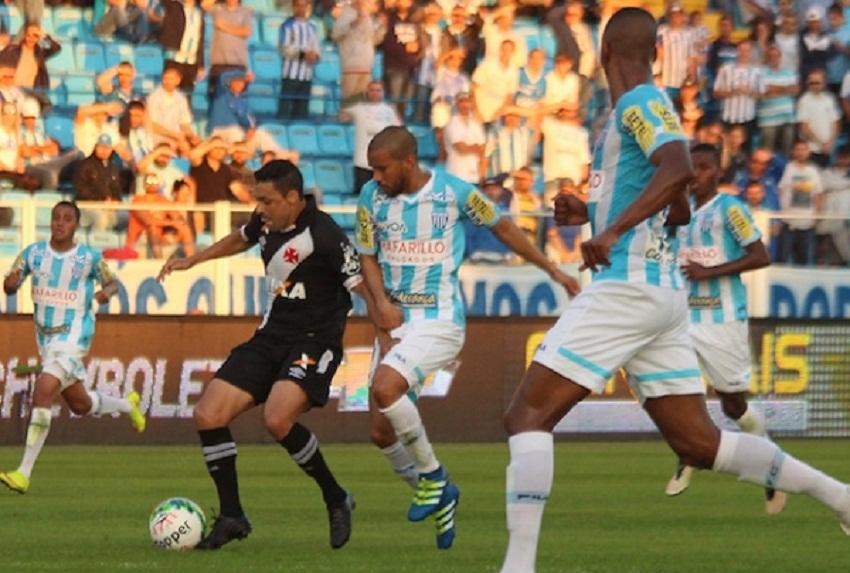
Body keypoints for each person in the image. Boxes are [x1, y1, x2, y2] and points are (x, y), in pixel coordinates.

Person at [444, 8, 850, 573]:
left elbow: (680, 167)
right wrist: (591, 209)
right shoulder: (629, 111)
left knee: (525, 414)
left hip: (627, 288)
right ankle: (841, 496)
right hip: (660, 294)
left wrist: (611, 231)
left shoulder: (638, 101)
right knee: (699, 442)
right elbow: (680, 207)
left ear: (605, 50)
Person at [354, 126, 578, 550]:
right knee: (381, 433)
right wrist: (380, 304)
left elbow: (504, 228)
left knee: (385, 387)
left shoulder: (453, 193)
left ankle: (435, 478)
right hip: (395, 319)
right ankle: (441, 497)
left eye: (383, 169)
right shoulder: (371, 198)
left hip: (438, 320)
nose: (376, 177)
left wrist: (554, 270)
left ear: (408, 162)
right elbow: (367, 254)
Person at [157, 160, 375, 550]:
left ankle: (335, 495)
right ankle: (232, 516)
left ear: (293, 199)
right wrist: (194, 259)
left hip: (314, 341)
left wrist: (388, 323)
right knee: (208, 414)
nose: (260, 208)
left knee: (277, 419)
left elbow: (360, 283)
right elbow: (241, 238)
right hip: (270, 336)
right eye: (257, 200)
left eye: (267, 201)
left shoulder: (325, 234)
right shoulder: (265, 221)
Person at [663, 144, 784, 515]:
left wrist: (708, 273)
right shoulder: (677, 213)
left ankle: (770, 461)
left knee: (733, 404)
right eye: (692, 168)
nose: (696, 174)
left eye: (703, 168)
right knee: (676, 390)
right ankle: (689, 454)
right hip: (683, 317)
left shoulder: (730, 209)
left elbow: (760, 255)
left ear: (717, 173)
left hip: (722, 317)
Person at [0, 202, 146, 495]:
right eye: (56, 218)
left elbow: (113, 281)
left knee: (43, 389)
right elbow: (10, 284)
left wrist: (106, 291)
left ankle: (24, 472)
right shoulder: (33, 254)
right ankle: (126, 405)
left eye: (67, 219)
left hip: (74, 336)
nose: (60, 223)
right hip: (46, 339)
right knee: (80, 405)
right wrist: (11, 283)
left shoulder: (88, 258)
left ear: (76, 225)